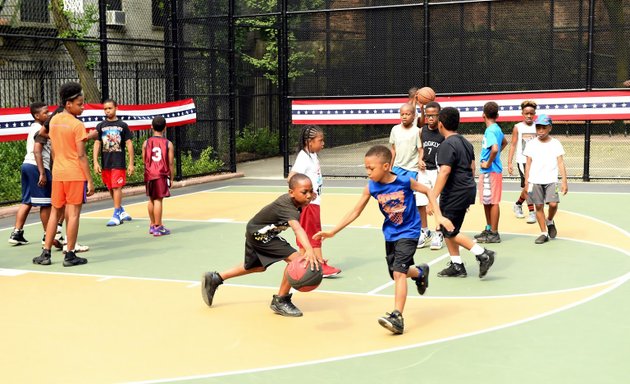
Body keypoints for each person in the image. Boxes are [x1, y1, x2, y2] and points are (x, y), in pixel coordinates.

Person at [314, 145, 454, 335]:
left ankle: (397, 317)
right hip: (390, 233)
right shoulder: (371, 187)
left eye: (371, 168)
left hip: (409, 232)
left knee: (398, 273)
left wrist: (438, 216)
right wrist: (333, 232)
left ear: (386, 166)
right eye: (366, 168)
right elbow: (355, 211)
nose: (368, 172)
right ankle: (420, 272)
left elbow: (428, 190)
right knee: (397, 272)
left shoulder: (404, 181)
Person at [201, 173, 322, 317]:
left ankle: (216, 278)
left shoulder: (299, 200)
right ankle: (281, 300)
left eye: (311, 191)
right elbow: (297, 229)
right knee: (296, 260)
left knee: (256, 267)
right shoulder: (287, 206)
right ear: (291, 193)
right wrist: (308, 249)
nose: (309, 195)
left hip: (256, 231)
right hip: (260, 234)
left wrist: (310, 195)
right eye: (304, 192)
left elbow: (307, 197)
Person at [32, 82, 95, 266]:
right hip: (74, 173)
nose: (82, 107)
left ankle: (45, 253)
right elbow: (81, 155)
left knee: (54, 213)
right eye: (80, 103)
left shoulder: (54, 120)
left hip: (58, 173)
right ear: (68, 104)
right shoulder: (76, 125)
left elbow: (43, 134)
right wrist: (90, 180)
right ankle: (70, 254)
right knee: (73, 214)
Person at [432, 107, 496, 279]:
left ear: (440, 124)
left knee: (447, 229)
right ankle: (457, 265)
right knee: (452, 228)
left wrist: (433, 195)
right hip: (466, 188)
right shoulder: (466, 143)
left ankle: (483, 253)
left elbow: (444, 171)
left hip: (455, 191)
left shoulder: (447, 144)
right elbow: (472, 168)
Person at [287, 125, 341, 277]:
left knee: (308, 232)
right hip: (309, 204)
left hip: (313, 203)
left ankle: (303, 264)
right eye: (320, 140)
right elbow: (291, 178)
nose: (323, 144)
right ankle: (320, 265)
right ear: (309, 141)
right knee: (314, 233)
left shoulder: (312, 156)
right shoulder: (303, 158)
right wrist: (306, 193)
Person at [8, 102, 53, 246]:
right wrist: (42, 173)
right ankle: (48, 235)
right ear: (37, 115)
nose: (49, 114)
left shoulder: (35, 127)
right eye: (45, 112)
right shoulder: (39, 130)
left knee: (26, 200)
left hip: (27, 165)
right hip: (36, 166)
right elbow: (37, 150)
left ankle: (17, 233)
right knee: (45, 203)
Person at [523, 114, 568, 244]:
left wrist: (564, 181)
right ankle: (543, 233)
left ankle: (549, 220)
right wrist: (526, 182)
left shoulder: (555, 143)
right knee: (538, 206)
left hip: (551, 180)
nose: (540, 131)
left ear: (550, 128)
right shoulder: (531, 144)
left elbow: (560, 162)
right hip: (535, 180)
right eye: (538, 128)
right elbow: (528, 163)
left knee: (553, 204)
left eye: (543, 128)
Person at [93, 99, 135, 226]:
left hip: (118, 162)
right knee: (110, 187)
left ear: (116, 108)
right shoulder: (100, 126)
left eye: (110, 108)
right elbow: (97, 143)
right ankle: (121, 210)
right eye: (105, 109)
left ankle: (116, 214)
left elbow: (129, 143)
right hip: (106, 163)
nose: (107, 111)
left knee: (116, 187)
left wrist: (131, 163)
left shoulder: (123, 125)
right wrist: (95, 162)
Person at [474, 101, 507, 244]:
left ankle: (494, 232)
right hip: (489, 171)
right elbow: (504, 142)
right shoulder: (497, 129)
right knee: (487, 201)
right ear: (497, 115)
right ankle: (489, 228)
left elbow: (494, 148)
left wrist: (488, 162)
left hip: (491, 171)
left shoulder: (491, 130)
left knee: (493, 201)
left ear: (483, 115)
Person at [417, 101, 445, 250]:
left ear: (439, 116)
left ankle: (438, 231)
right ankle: (424, 230)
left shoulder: (443, 131)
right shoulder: (422, 131)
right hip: (424, 170)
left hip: (437, 171)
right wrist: (419, 160)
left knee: (437, 203)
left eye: (433, 116)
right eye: (428, 116)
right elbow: (420, 149)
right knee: (420, 202)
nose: (430, 118)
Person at [142, 115, 174, 236]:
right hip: (160, 174)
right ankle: (158, 226)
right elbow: (170, 162)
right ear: (165, 128)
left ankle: (152, 224)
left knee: (151, 199)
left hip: (149, 173)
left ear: (151, 127)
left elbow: (144, 160)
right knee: (158, 200)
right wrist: (171, 177)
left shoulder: (146, 142)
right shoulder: (168, 144)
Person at [507, 100, 537, 224]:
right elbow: (513, 145)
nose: (529, 116)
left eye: (531, 113)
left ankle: (518, 204)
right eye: (526, 113)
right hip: (522, 161)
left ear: (534, 113)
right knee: (528, 187)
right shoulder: (518, 127)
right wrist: (509, 162)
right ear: (522, 113)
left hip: (536, 161)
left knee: (529, 186)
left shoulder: (538, 126)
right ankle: (531, 212)